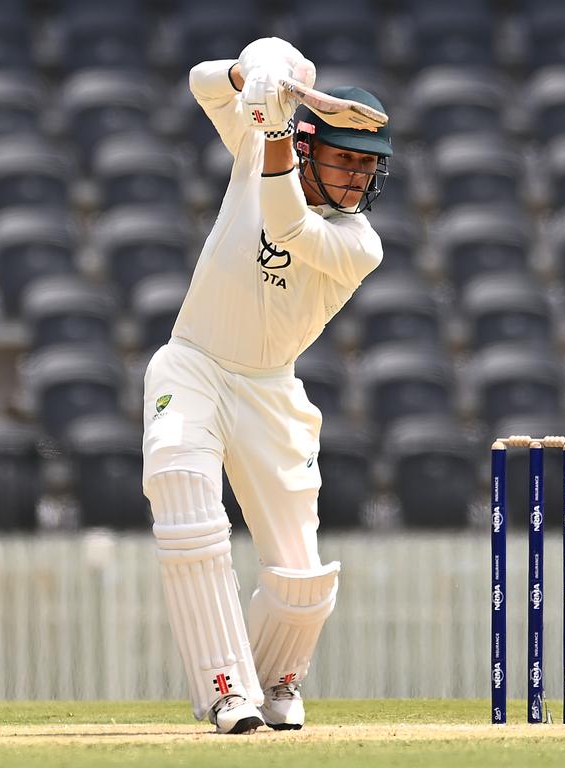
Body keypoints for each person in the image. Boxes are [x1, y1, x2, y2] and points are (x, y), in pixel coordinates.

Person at [141, 37, 393, 734]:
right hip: (192, 362)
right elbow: (202, 85)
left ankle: (276, 675)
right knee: (182, 492)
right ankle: (226, 688)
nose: (354, 178)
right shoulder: (258, 147)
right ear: (314, 150)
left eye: (366, 166)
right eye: (344, 157)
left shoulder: (359, 244)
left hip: (270, 392)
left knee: (300, 575)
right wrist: (257, 72)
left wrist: (279, 124)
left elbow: (286, 222)